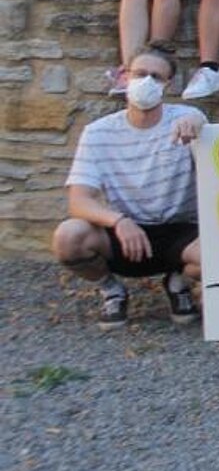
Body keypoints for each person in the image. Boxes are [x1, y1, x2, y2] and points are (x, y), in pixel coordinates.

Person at [54, 43, 204, 329]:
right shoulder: (97, 133)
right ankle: (111, 290)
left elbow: (205, 131)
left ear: (168, 84)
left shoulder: (186, 121)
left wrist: (197, 122)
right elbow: (79, 201)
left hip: (180, 231)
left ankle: (178, 283)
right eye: (140, 74)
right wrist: (118, 221)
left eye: (156, 77)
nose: (146, 82)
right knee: (68, 237)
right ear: (124, 76)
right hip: (125, 232)